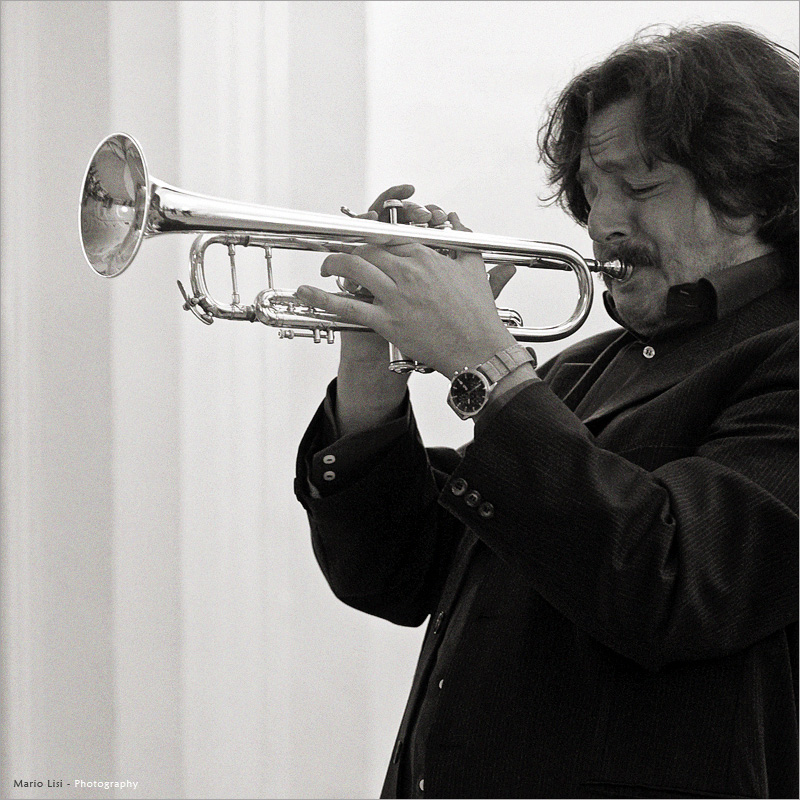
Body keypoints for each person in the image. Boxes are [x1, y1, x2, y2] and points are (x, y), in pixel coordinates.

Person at [293, 22, 798, 799]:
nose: (602, 222)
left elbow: (674, 584)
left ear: (749, 191)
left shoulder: (783, 357)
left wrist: (487, 366)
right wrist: (372, 363)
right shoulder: (578, 371)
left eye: (641, 187)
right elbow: (396, 575)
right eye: (592, 190)